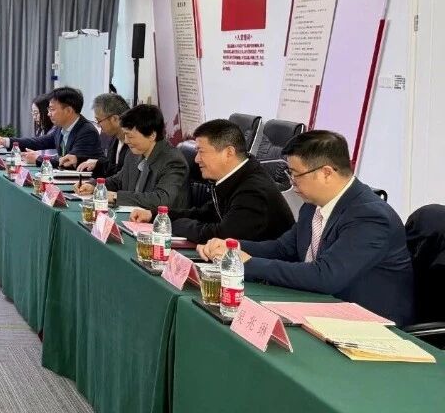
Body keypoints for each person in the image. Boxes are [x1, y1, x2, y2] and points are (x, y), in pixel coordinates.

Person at [198, 131, 415, 326]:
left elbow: (325, 276)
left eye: (295, 174)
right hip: (322, 310)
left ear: (326, 173)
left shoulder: (371, 217)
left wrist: (247, 263)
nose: (291, 182)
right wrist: (232, 248)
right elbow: (283, 249)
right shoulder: (312, 206)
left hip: (370, 326)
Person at [130, 119, 293, 244]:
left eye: (201, 151)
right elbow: (203, 214)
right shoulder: (235, 178)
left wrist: (173, 224)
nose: (196, 159)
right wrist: (156, 215)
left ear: (228, 153)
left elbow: (221, 235)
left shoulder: (253, 191)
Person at [76, 104, 188, 211]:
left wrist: (116, 196)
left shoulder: (173, 161)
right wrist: (94, 186)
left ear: (152, 135)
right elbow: (118, 181)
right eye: (125, 135)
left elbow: (161, 199)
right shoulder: (133, 154)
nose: (126, 141)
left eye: (130, 136)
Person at [0, 87, 101, 165]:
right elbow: (38, 142)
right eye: (48, 109)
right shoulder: (60, 128)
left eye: (52, 109)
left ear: (68, 111)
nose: (48, 114)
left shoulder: (87, 131)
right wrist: (4, 141)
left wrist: (38, 159)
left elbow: (69, 161)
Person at [73, 93, 130, 178]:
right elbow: (111, 167)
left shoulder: (133, 144)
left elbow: (121, 176)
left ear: (115, 119)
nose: (98, 125)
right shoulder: (114, 139)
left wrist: (95, 183)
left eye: (99, 120)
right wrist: (77, 159)